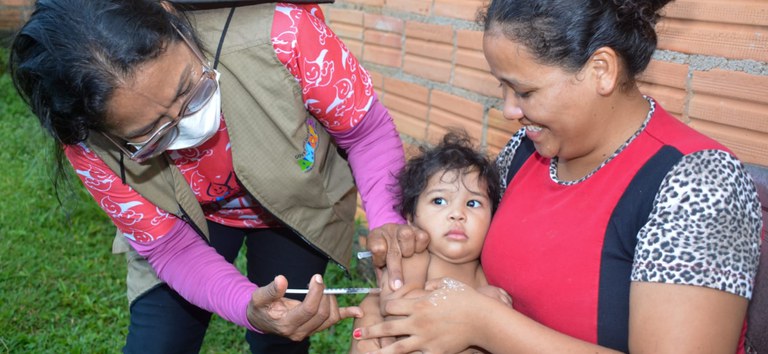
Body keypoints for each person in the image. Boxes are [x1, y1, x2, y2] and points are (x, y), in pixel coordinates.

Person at [352, 0, 764, 353]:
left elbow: (474, 316)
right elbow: (455, 271)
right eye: (503, 87)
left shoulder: (697, 182)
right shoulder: (525, 153)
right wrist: (380, 316)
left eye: (525, 92)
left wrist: (487, 325)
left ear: (601, 70)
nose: (509, 109)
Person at [9, 0, 413, 353]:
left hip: (294, 209)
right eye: (150, 134)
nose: (187, 124)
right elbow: (171, 250)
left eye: (190, 88)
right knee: (159, 343)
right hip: (186, 221)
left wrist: (388, 220)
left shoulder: (284, 35)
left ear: (171, 15)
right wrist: (247, 306)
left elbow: (366, 133)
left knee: (283, 338)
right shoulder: (85, 141)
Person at [349, 132, 511, 354]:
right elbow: (396, 307)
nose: (457, 214)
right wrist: (476, 308)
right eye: (439, 201)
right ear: (410, 216)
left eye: (473, 203)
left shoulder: (487, 273)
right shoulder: (416, 256)